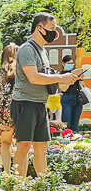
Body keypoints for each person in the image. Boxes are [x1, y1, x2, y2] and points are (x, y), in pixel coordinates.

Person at [12, 13, 82, 177]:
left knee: (42, 146)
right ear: (39, 28)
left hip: (40, 104)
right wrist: (61, 76)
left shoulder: (43, 51)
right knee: (23, 146)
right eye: (52, 28)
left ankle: (44, 183)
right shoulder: (27, 50)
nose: (54, 32)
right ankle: (17, 185)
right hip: (25, 103)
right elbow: (34, 77)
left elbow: (47, 78)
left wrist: (68, 79)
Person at [0, 43, 18, 173]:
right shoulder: (22, 72)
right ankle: (20, 173)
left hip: (4, 113)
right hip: (21, 110)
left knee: (6, 143)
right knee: (22, 145)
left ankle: (7, 172)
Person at [59, 54, 84, 131]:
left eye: (72, 63)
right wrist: (71, 80)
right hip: (67, 99)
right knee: (66, 123)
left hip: (77, 98)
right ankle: (64, 139)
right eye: (68, 63)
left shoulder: (75, 73)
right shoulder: (61, 75)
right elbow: (63, 89)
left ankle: (75, 139)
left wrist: (81, 78)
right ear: (63, 64)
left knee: (75, 125)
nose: (71, 65)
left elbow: (83, 86)